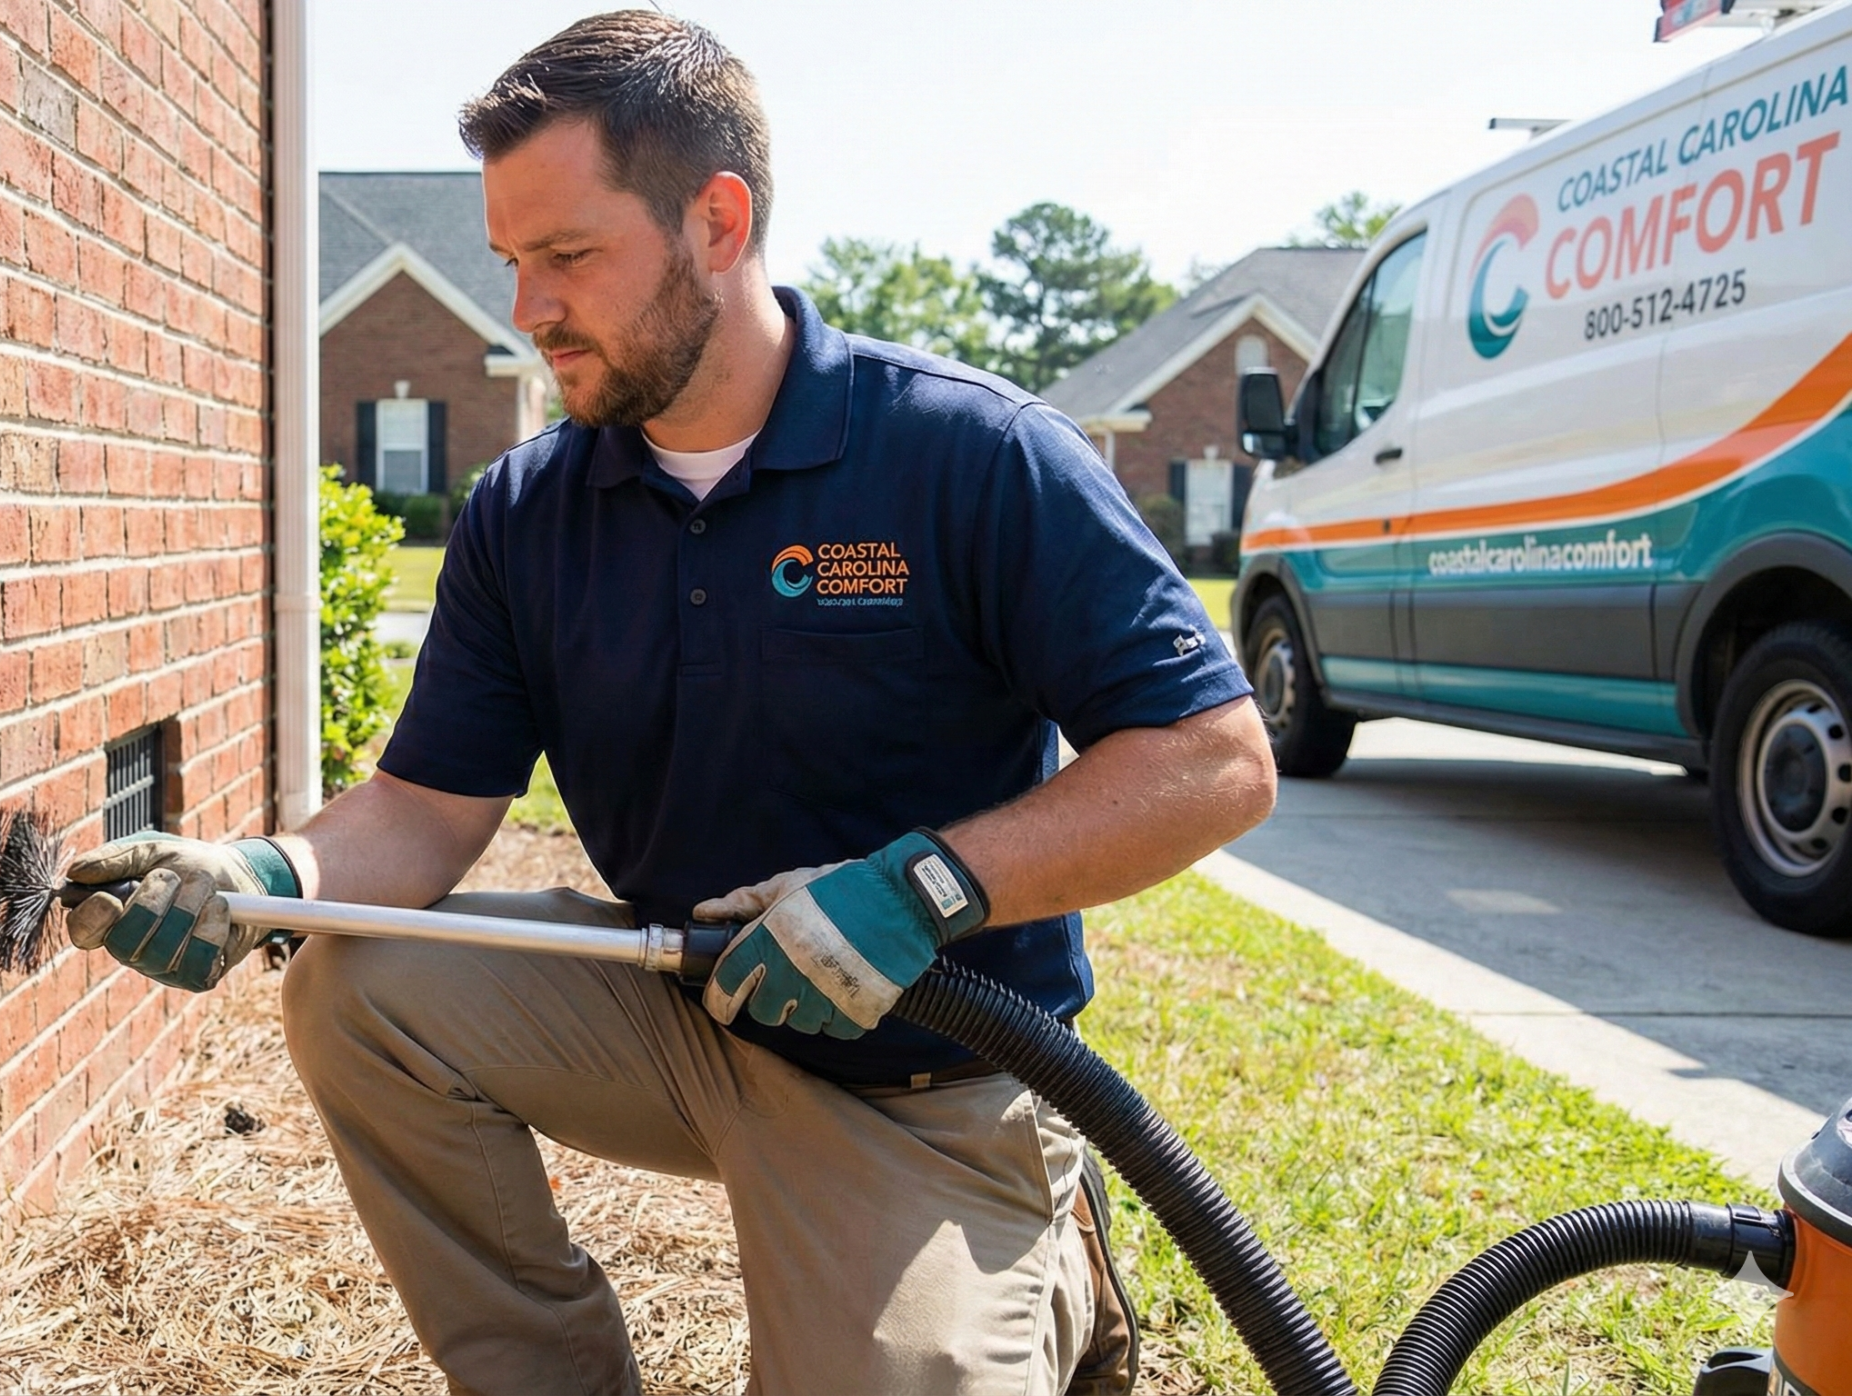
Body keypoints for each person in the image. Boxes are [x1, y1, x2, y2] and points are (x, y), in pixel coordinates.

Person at [62, 12, 1276, 1395]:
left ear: (716, 221)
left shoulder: (968, 456)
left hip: (928, 1081)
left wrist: (925, 889)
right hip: (684, 1001)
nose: (526, 311)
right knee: (358, 987)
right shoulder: (530, 513)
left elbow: (1217, 759)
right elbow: (423, 807)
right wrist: (260, 875)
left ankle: (1041, 1260)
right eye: (513, 262)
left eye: (568, 256)